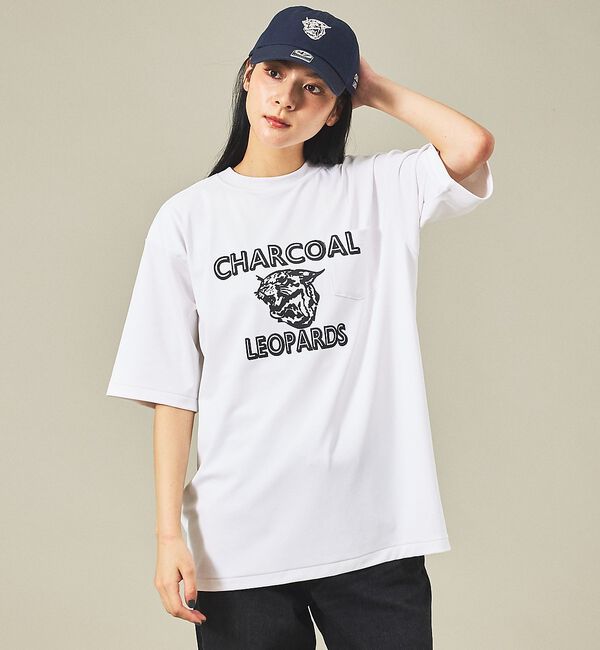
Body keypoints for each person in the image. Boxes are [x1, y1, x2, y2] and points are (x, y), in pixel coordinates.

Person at [105, 5, 494, 649]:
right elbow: (172, 391)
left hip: (373, 533)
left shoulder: (375, 190)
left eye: (313, 87)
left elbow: (470, 147)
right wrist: (168, 535)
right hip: (239, 541)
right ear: (247, 76)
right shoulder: (188, 219)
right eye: (275, 73)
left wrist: (375, 88)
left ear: (337, 110)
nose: (285, 97)